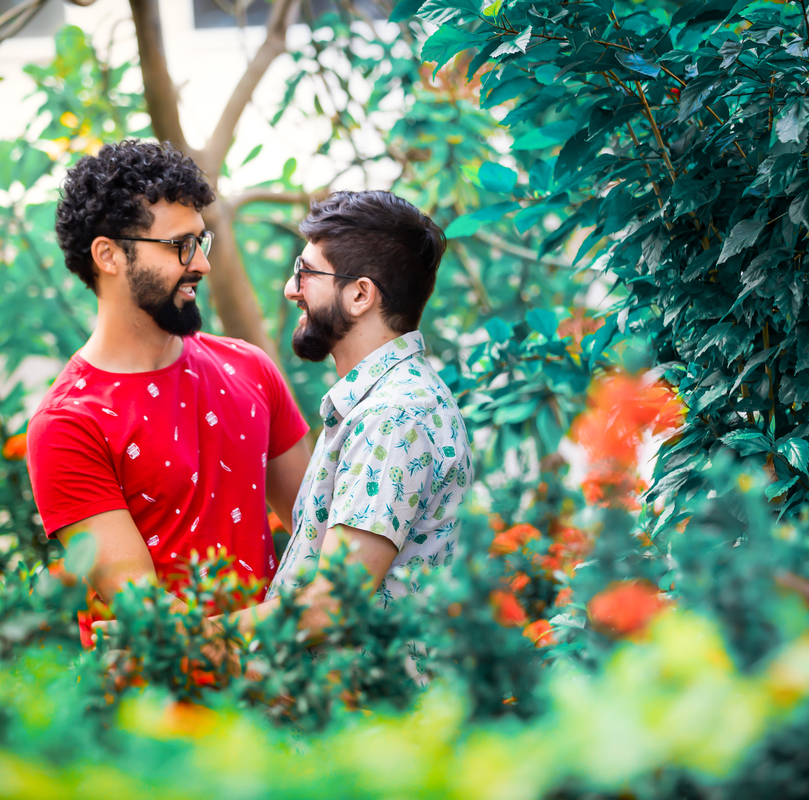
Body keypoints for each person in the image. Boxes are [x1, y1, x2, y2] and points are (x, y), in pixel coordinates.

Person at [26, 140, 311, 645]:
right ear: (108, 255)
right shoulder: (69, 423)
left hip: (283, 696)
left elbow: (319, 529)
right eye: (181, 245)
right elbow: (147, 608)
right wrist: (293, 634)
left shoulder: (249, 367)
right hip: (160, 713)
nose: (200, 263)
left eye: (202, 241)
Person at [235, 190, 473, 636]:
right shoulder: (386, 403)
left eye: (305, 273)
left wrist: (185, 641)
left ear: (361, 295)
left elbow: (332, 605)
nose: (291, 289)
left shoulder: (394, 416)